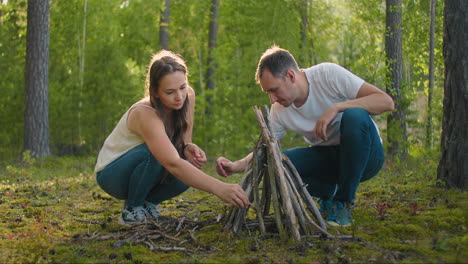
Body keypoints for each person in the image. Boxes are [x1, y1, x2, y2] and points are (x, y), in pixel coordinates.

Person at [216, 45, 394, 227]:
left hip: (366, 156)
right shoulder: (279, 110)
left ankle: (343, 203)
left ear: (291, 76)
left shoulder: (328, 75)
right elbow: (266, 150)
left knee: (355, 116)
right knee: (278, 162)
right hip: (330, 159)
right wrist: (234, 165)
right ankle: (328, 194)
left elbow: (386, 102)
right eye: (268, 92)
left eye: (274, 89)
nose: (272, 99)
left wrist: (336, 108)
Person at [95, 50, 249, 226]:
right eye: (169, 92)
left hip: (146, 170)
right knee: (152, 154)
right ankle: (132, 208)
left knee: (189, 164)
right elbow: (172, 163)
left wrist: (187, 147)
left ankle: (148, 204)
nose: (179, 97)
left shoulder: (187, 97)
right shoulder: (145, 114)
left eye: (182, 87)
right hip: (113, 173)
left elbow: (182, 144)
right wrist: (219, 188)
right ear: (155, 91)